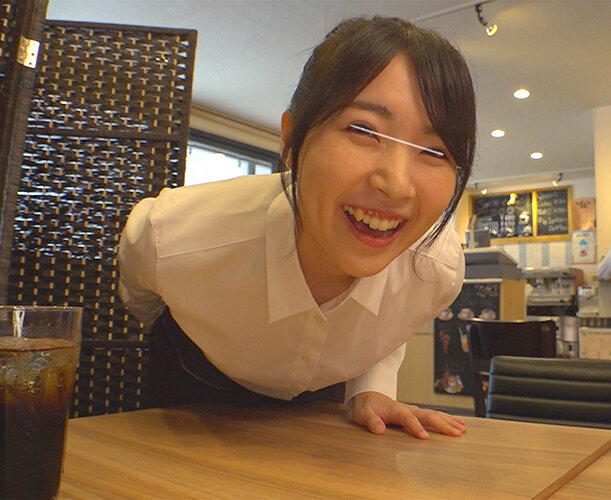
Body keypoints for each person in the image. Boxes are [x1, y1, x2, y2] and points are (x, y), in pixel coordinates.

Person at [117, 16, 476, 440]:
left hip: (322, 411)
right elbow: (140, 301)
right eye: (363, 130)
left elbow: (396, 313)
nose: (396, 185)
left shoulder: (437, 269)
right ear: (291, 141)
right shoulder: (171, 235)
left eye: (433, 151)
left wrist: (373, 388)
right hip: (190, 392)